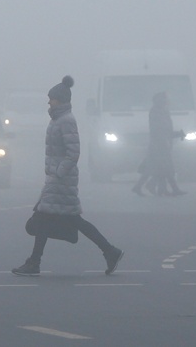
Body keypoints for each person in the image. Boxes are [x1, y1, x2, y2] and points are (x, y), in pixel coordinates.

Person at [12, 76, 124, 276]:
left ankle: (34, 262)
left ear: (61, 100)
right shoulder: (58, 119)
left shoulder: (66, 121)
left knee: (47, 218)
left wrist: (58, 172)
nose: (49, 101)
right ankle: (110, 251)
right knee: (69, 220)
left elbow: (73, 152)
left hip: (61, 180)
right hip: (58, 179)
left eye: (52, 98)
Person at [132, 91, 186, 196]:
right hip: (159, 145)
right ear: (159, 100)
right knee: (165, 168)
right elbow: (160, 130)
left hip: (162, 143)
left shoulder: (162, 111)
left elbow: (166, 130)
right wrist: (176, 135)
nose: (167, 100)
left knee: (157, 168)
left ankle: (143, 187)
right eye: (165, 98)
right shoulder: (156, 112)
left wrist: (176, 134)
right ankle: (171, 189)